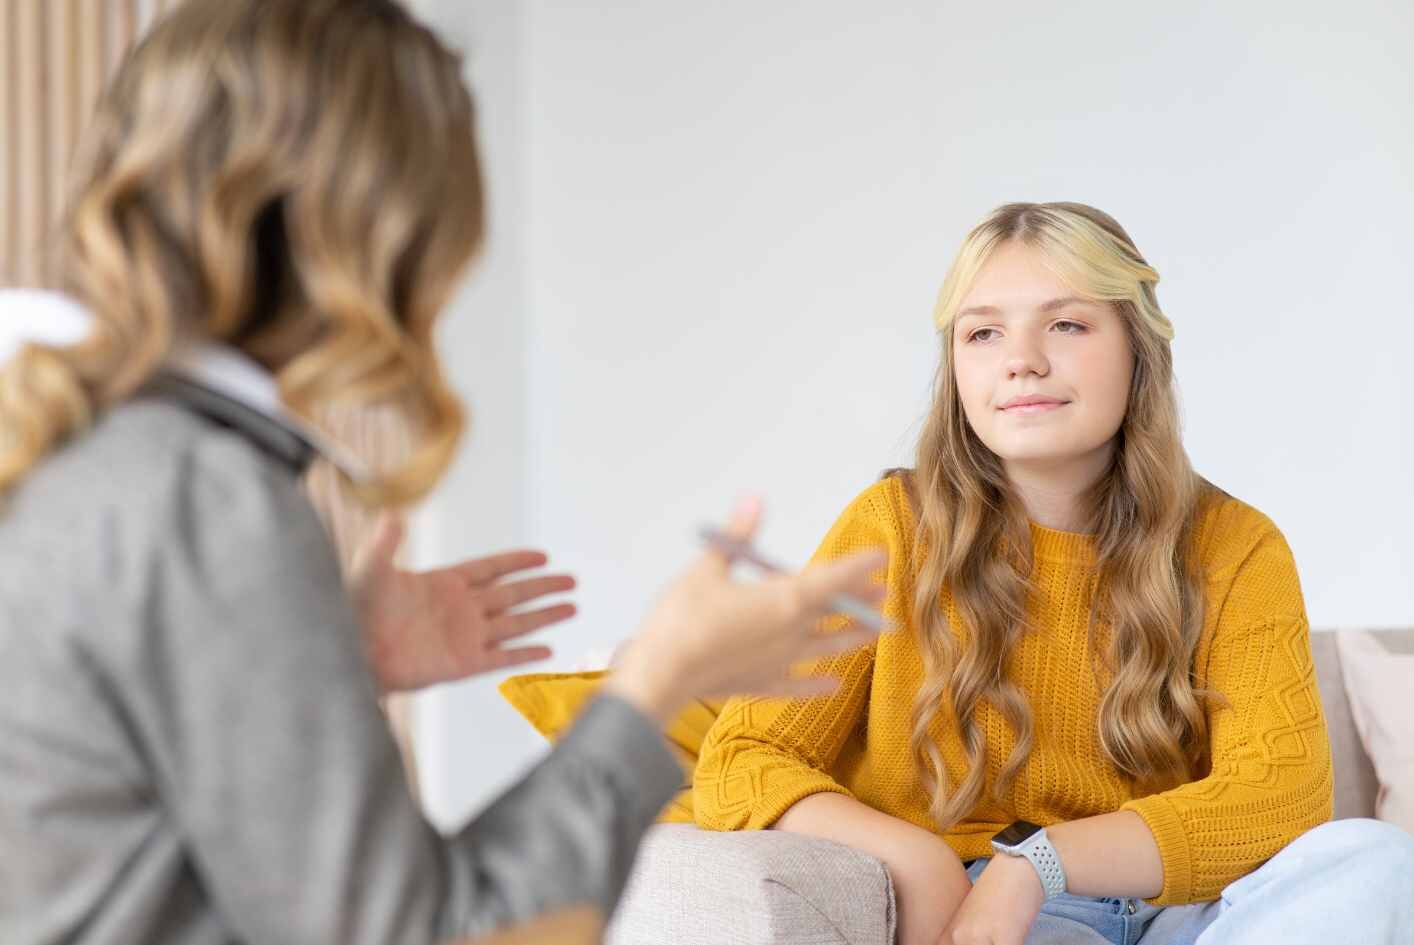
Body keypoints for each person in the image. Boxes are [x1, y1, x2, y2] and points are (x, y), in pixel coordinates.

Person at [0, 2, 887, 943]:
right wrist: (656, 684)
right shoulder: (201, 496)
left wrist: (315, 655)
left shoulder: (69, 444)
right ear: (381, 226)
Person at [692, 201, 1414, 945]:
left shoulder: (1236, 545)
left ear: (1138, 346)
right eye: (983, 332)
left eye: (1066, 324)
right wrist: (917, 856)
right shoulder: (892, 528)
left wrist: (1037, 860)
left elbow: (1280, 793)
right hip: (1001, 923)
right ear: (957, 368)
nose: (1022, 359)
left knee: (1382, 862)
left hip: (1190, 915)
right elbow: (744, 757)